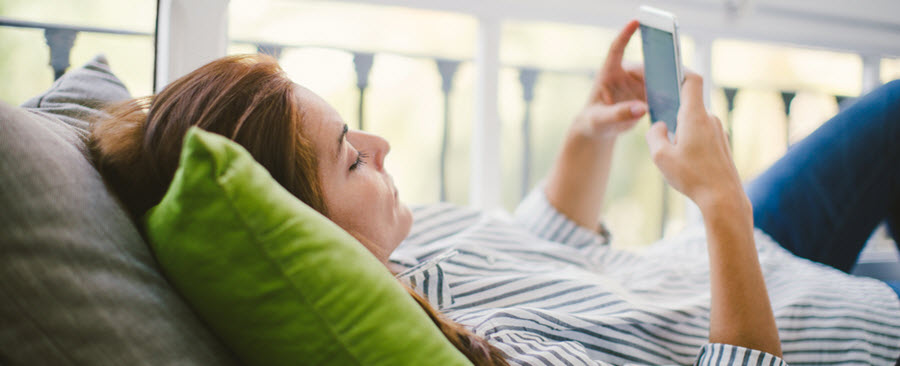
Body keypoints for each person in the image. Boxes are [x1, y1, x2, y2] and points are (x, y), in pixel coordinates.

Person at [90, 20, 900, 365]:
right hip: (804, 315)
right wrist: (722, 204)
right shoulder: (476, 350)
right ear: (312, 230)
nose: (381, 146)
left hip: (713, 263)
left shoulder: (411, 243)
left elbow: (542, 250)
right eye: (351, 162)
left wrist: (587, 138)